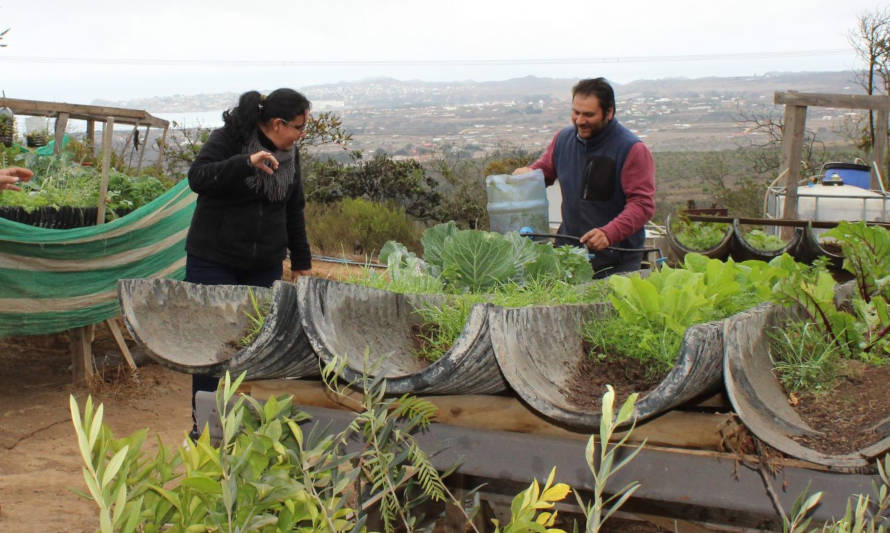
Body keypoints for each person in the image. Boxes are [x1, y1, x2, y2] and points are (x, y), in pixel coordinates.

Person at [185, 88, 313, 440]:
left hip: (263, 265)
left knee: (255, 346)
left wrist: (301, 261)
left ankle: (246, 431)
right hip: (214, 260)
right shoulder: (230, 139)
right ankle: (207, 430)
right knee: (213, 348)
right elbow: (198, 178)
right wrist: (245, 163)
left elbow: (293, 208)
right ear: (277, 123)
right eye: (299, 127)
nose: (302, 135)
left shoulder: (291, 155)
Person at [515, 77, 655, 278]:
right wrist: (530, 174)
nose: (580, 120)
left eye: (588, 114)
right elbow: (546, 170)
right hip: (569, 254)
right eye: (576, 112)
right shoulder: (563, 139)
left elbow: (642, 205)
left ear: (609, 113)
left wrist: (609, 233)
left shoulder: (631, 149)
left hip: (617, 261)